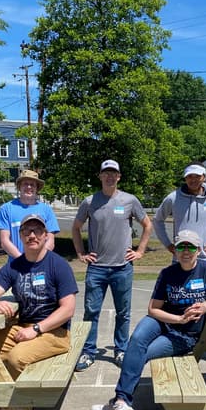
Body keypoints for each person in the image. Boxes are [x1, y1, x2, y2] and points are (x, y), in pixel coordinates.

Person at [90, 230, 206, 410]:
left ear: (198, 250)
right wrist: (179, 318)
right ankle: (122, 403)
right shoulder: (168, 273)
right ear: (175, 251)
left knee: (142, 353)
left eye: (191, 247)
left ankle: (118, 403)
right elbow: (153, 309)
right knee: (136, 341)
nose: (186, 251)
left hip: (185, 335)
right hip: (163, 321)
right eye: (181, 246)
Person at [0, 214, 78, 410]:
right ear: (20, 236)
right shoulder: (14, 266)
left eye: (37, 231)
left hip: (54, 332)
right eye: (27, 231)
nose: (32, 235)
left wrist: (37, 329)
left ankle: (19, 409)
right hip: (22, 328)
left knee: (16, 358)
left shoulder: (57, 265)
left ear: (45, 235)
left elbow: (68, 309)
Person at [153, 161, 206, 366]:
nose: (193, 179)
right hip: (181, 257)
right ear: (185, 178)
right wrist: (167, 244)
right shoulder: (174, 198)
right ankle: (178, 341)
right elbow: (158, 220)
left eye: (197, 176)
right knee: (179, 301)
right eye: (189, 176)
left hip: (205, 260)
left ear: (204, 177)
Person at [72, 159, 152, 371]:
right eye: (105, 173)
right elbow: (76, 227)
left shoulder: (129, 200)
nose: (109, 176)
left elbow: (147, 225)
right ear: (99, 176)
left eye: (113, 173)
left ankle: (121, 349)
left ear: (119, 176)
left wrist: (140, 251)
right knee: (91, 312)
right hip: (96, 268)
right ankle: (88, 352)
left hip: (122, 268)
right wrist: (80, 253)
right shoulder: (89, 202)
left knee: (123, 313)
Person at [0, 169, 60, 262]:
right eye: (25, 184)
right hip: (16, 264)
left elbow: (50, 240)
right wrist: (22, 260)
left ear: (37, 188)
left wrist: (39, 259)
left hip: (41, 264)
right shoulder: (6, 209)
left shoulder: (46, 210)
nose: (29, 187)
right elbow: (4, 241)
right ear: (19, 186)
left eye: (32, 184)